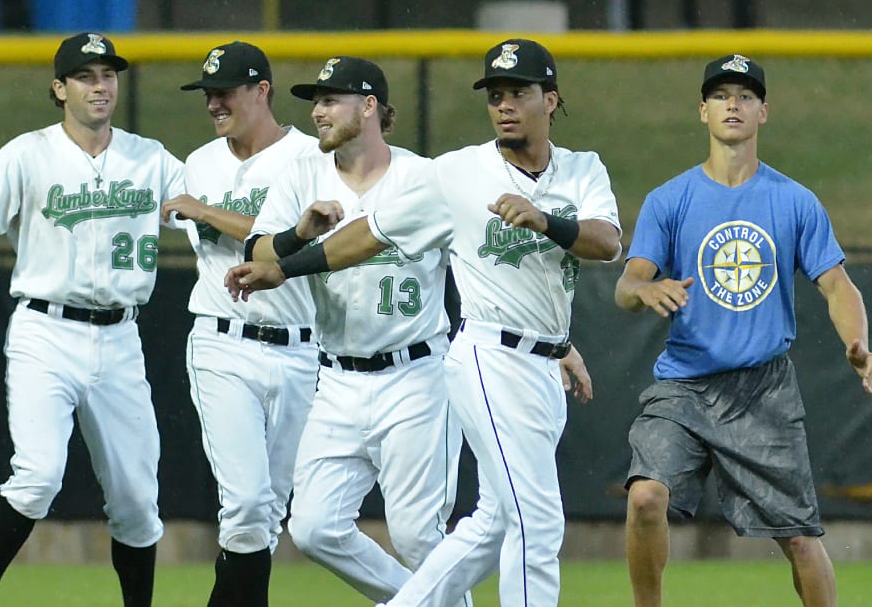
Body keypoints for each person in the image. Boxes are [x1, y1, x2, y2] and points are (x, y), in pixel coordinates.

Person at [228, 38, 613, 607]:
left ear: (550, 100)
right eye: (495, 95)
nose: (504, 105)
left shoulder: (581, 169)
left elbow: (606, 243)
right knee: (534, 519)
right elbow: (368, 236)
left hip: (522, 362)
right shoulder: (458, 173)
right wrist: (284, 267)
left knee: (489, 521)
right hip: (483, 356)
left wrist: (549, 240)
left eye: (518, 92)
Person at [0, 32, 185, 607]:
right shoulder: (27, 153)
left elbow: (205, 214)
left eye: (107, 75)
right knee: (37, 476)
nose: (100, 86)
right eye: (85, 77)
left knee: (136, 501)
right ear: (59, 89)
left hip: (121, 336)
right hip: (46, 331)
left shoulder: (150, 158)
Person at [614, 54, 872, 607]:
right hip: (685, 386)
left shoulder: (793, 200)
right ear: (702, 111)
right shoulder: (670, 199)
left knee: (800, 537)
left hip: (763, 389)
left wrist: (858, 344)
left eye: (745, 96)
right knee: (644, 499)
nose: (732, 104)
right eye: (720, 95)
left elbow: (837, 286)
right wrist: (643, 289)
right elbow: (628, 283)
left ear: (764, 112)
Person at [243, 56, 466, 606]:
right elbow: (257, 253)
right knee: (314, 527)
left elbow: (478, 264)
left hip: (416, 375)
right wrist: (299, 233)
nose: (317, 112)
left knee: (418, 536)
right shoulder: (302, 177)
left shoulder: (423, 178)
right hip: (337, 379)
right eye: (315, 102)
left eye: (330, 100)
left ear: (369, 106)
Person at [159, 41, 320, 606]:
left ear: (262, 90)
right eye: (208, 93)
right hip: (223, 343)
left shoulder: (310, 158)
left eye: (225, 92)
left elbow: (291, 239)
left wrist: (205, 210)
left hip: (301, 348)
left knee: (267, 516)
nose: (214, 103)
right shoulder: (199, 162)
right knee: (247, 504)